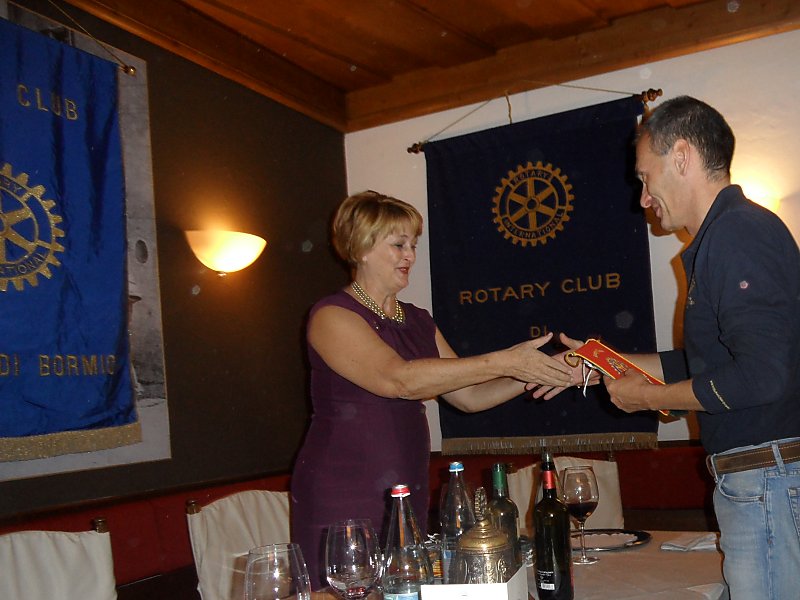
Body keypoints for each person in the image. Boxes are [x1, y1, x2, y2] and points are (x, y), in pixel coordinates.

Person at [291, 190, 582, 589]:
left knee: (403, 588)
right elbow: (399, 380)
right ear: (361, 248)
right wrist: (505, 360)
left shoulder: (418, 320)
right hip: (343, 489)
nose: (410, 255)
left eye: (413, 244)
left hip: (403, 481)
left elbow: (469, 396)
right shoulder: (332, 315)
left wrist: (544, 370)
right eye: (398, 244)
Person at [602, 96, 800, 599]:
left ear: (682, 156)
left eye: (645, 177)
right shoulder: (728, 235)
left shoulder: (736, 234)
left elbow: (760, 377)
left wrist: (648, 398)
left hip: (768, 478)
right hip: (765, 479)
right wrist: (598, 360)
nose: (643, 198)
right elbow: (710, 365)